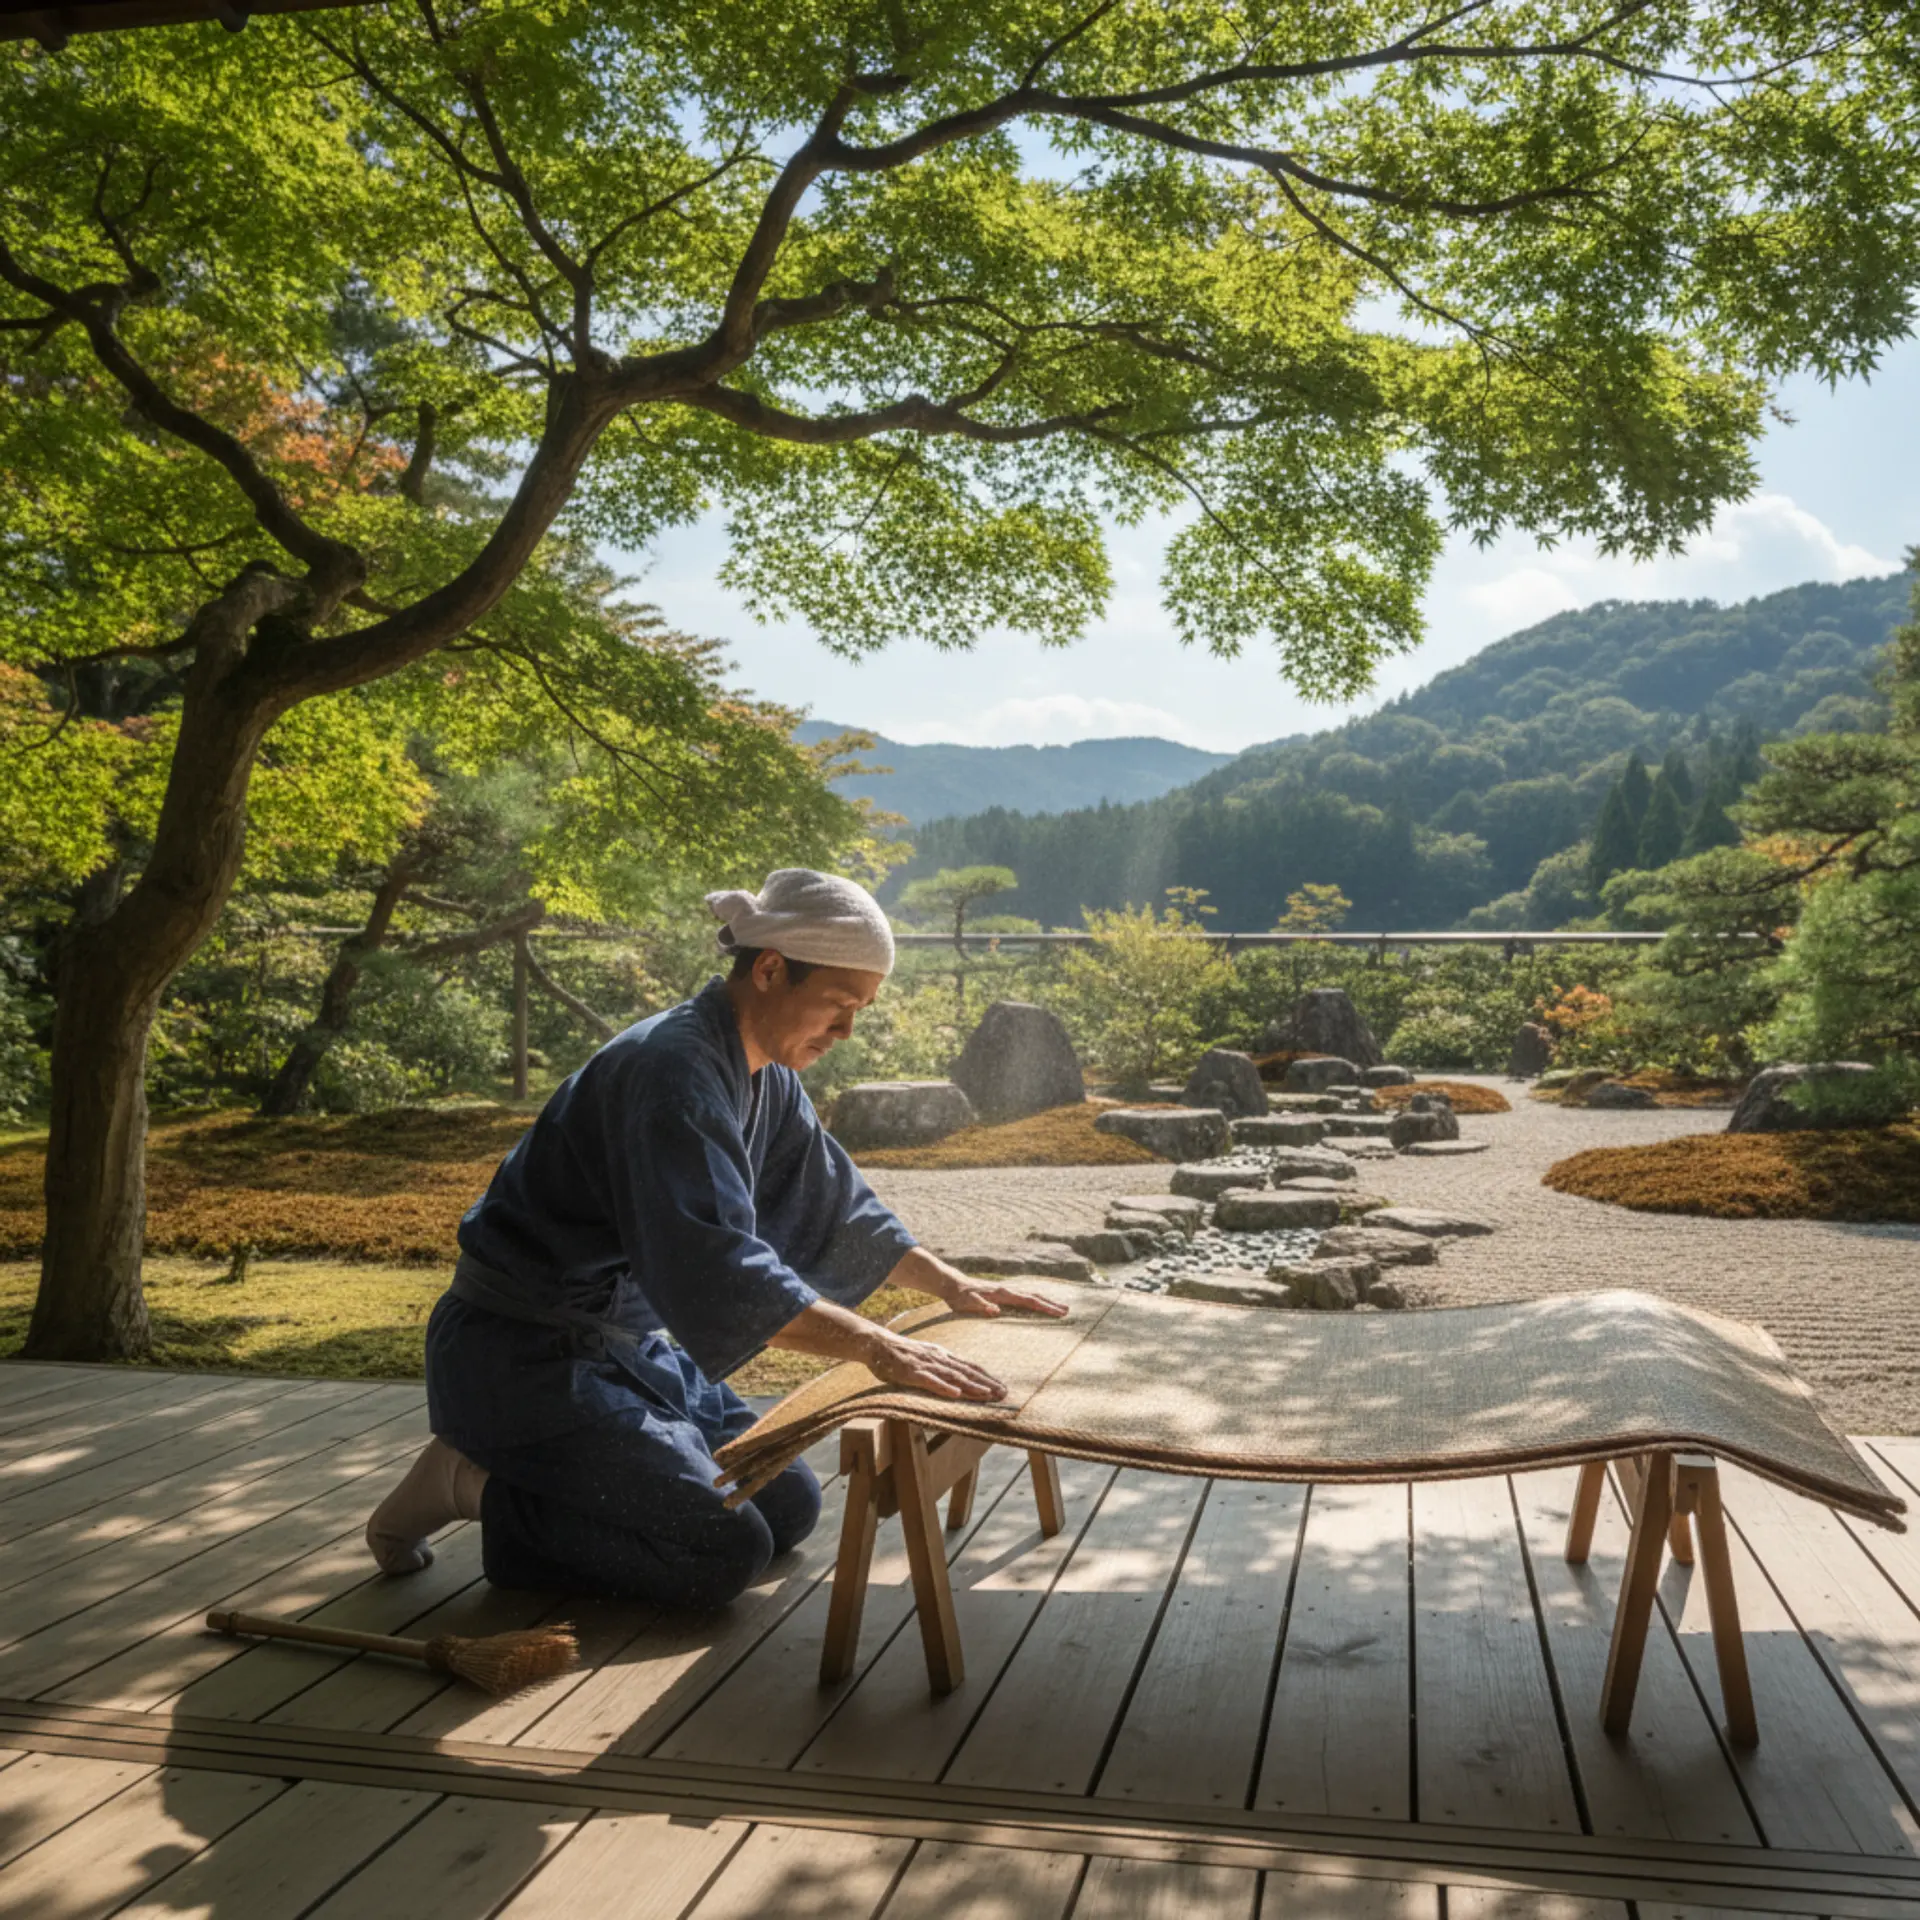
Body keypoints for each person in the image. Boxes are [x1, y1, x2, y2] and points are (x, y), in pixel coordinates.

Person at [364, 868, 1066, 1608]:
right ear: (769, 970)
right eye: (839, 1004)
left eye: (860, 1010)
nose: (847, 1032)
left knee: (788, 1503)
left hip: (625, 1350)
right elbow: (717, 1265)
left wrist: (953, 1285)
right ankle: (465, 1482)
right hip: (520, 1358)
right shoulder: (671, 1071)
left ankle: (566, 1474)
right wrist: (874, 1345)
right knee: (720, 1551)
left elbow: (837, 1208)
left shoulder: (766, 1074)